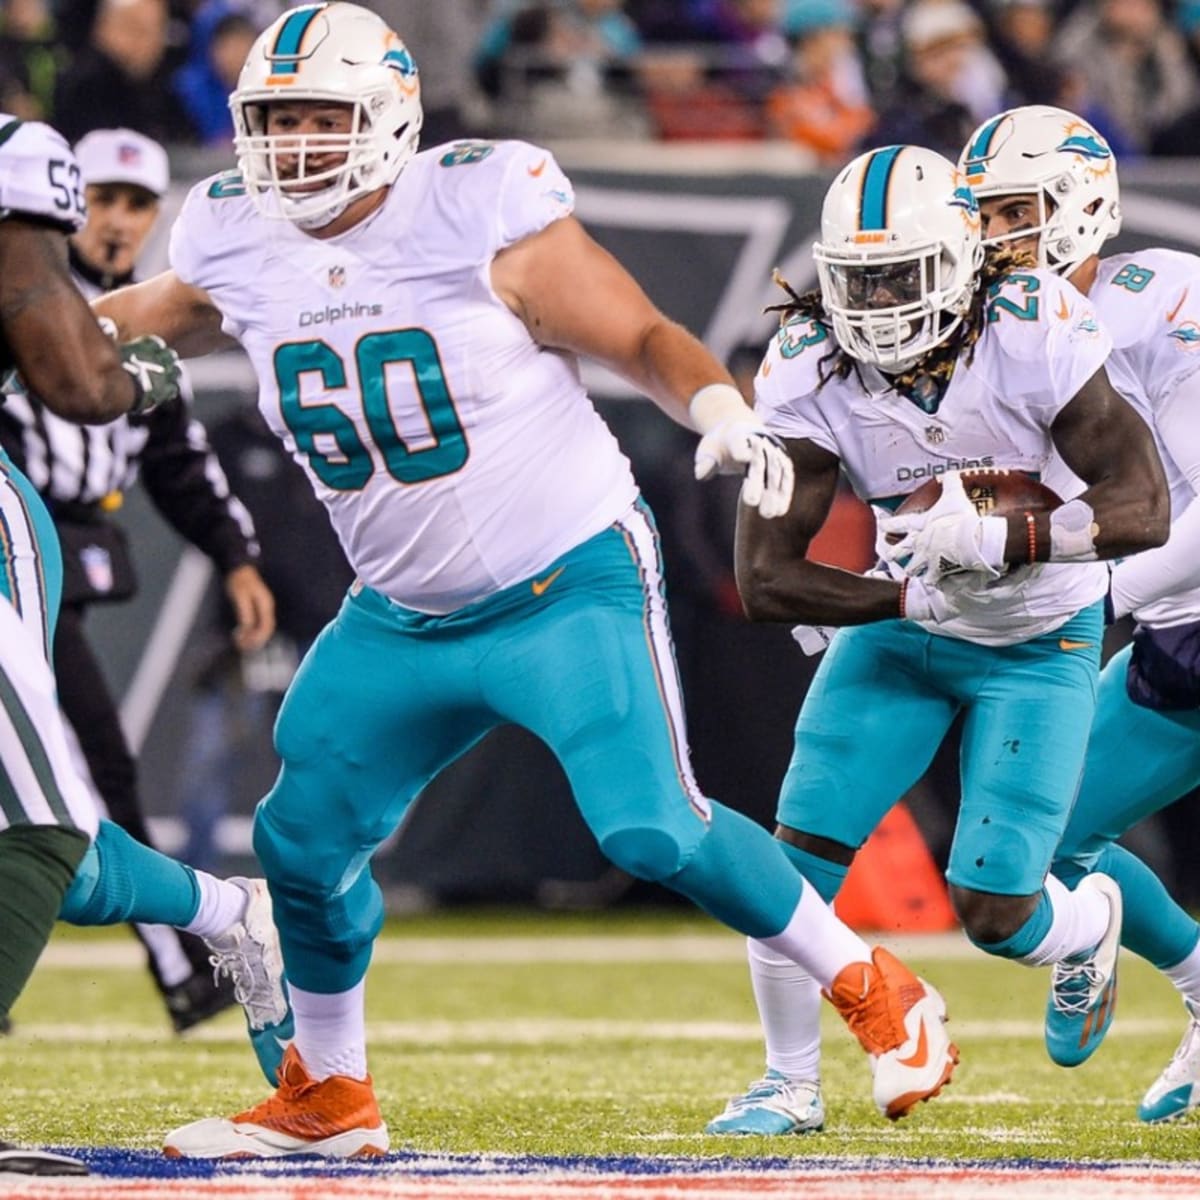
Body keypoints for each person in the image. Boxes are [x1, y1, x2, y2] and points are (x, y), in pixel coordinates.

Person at [97, 2, 962, 1159]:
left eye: (321, 117)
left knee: (652, 828)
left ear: (391, 117)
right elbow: (118, 330)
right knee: (299, 842)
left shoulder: (477, 204)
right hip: (400, 613)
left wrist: (711, 403)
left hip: (566, 579)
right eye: (275, 119)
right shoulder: (233, 235)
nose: (295, 146)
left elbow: (643, 335)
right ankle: (332, 1096)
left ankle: (874, 985)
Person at [704, 141, 1169, 1136]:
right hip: (908, 630)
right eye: (858, 276)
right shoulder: (807, 359)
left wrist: (1012, 535)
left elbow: (1143, 506)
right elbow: (767, 576)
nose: (876, 301)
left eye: (900, 274)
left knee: (996, 913)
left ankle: (1087, 929)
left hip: (1038, 638)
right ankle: (789, 1081)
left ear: (964, 262)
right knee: (794, 866)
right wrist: (905, 604)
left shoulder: (1036, 325)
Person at [0, 115, 289, 1175]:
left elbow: (79, 383)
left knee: (38, 822)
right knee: (48, 827)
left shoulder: (14, 170)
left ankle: (222, 918)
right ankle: (222, 911)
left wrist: (141, 380)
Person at [958, 103, 1200, 1123]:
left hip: (1165, 601)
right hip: (1173, 638)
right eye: (982, 215)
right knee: (1031, 847)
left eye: (1014, 209)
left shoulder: (1168, 296)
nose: (992, 235)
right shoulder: (1000, 332)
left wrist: (1105, 591)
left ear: (1081, 204)